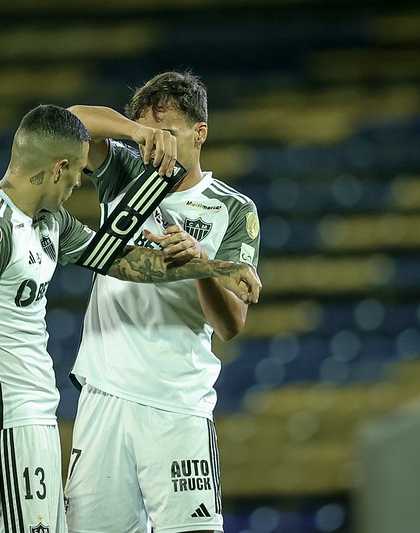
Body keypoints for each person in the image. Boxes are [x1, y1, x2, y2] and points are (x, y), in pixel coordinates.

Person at [0, 103, 260, 533]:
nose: (76, 183)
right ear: (58, 168)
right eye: (76, 173)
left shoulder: (51, 224)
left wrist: (214, 267)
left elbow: (123, 260)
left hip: (36, 418)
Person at [65, 71, 261, 533]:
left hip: (178, 403)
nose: (159, 150)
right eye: (151, 136)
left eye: (168, 134)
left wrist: (199, 265)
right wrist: (135, 133)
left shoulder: (233, 209)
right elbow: (66, 122)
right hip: (104, 396)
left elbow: (231, 325)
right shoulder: (127, 171)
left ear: (200, 133)